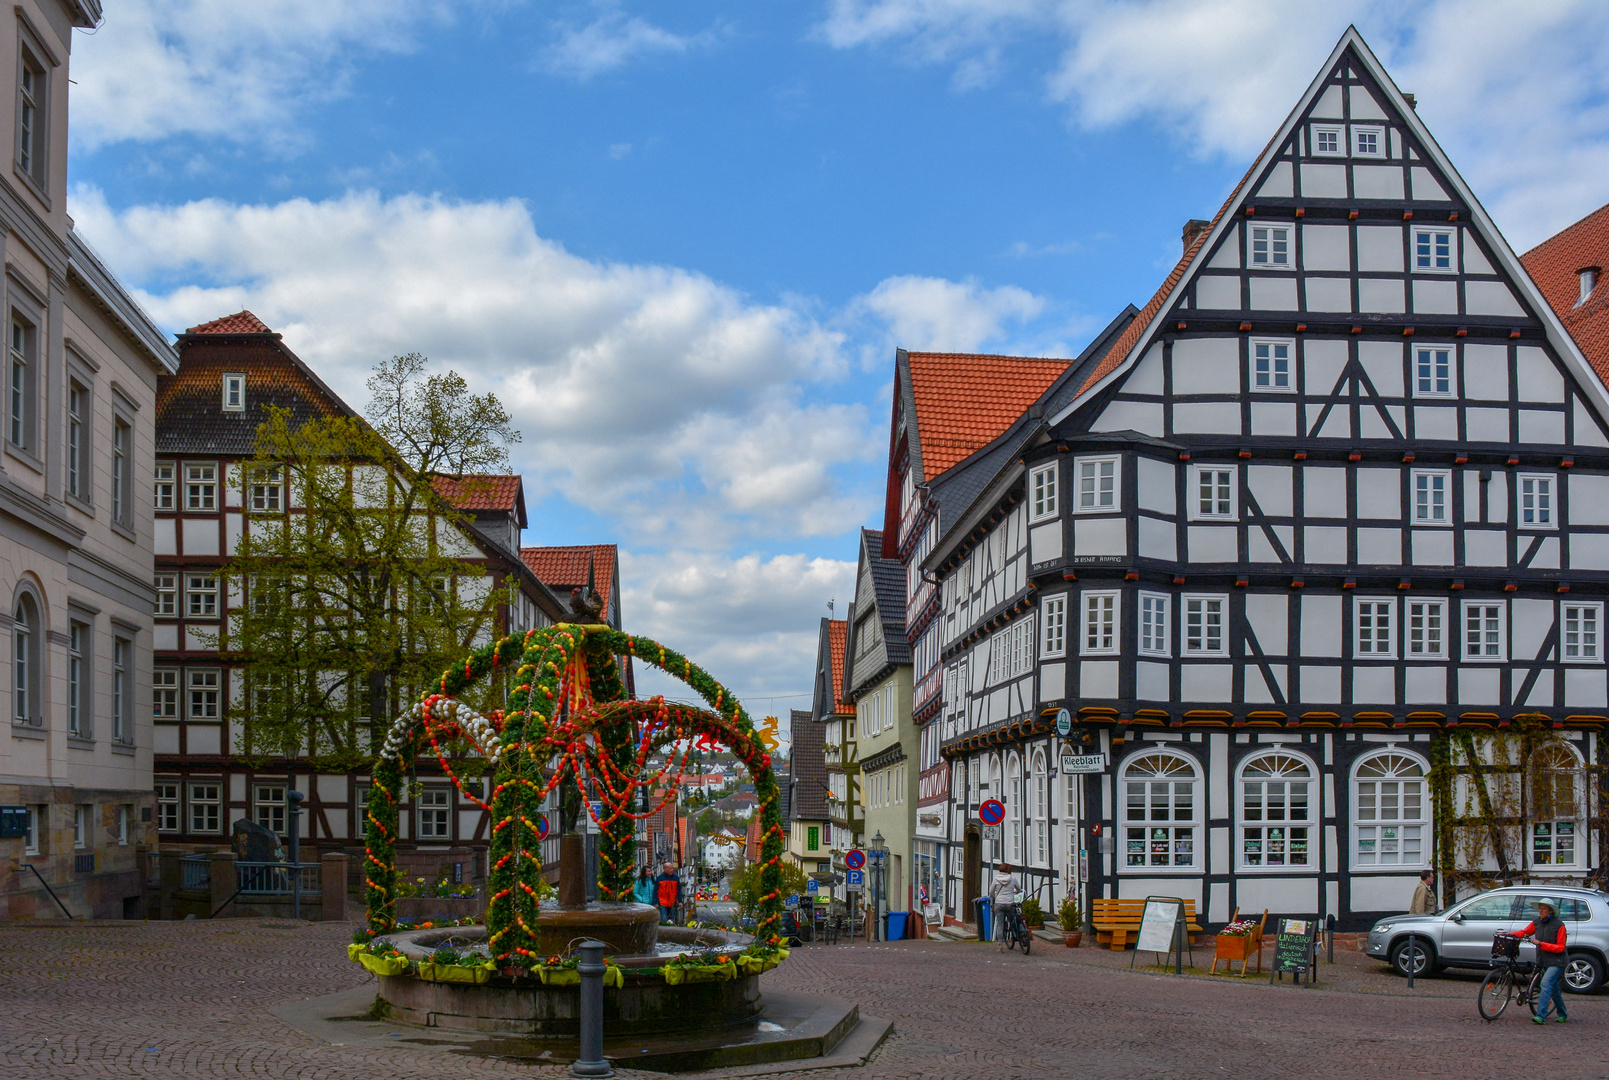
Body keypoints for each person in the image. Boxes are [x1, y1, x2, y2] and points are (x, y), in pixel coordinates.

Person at [1518, 897, 1570, 1024]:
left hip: (1557, 962)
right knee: (1553, 989)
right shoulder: (1536, 922)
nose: (1541, 911)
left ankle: (1541, 1016)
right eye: (1540, 908)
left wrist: (1542, 944)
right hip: (1543, 960)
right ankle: (1563, 1013)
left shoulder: (1559, 925)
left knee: (1546, 984)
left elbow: (1560, 947)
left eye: (1544, 909)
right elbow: (1524, 932)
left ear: (1550, 911)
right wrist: (1507, 935)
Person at [989, 862, 1019, 947]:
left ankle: (1000, 944)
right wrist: (1016, 892)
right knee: (1013, 919)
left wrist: (995, 896)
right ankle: (1016, 933)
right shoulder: (1013, 879)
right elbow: (1019, 889)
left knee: (1000, 924)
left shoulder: (996, 879)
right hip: (1010, 903)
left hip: (999, 904)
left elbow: (991, 892)